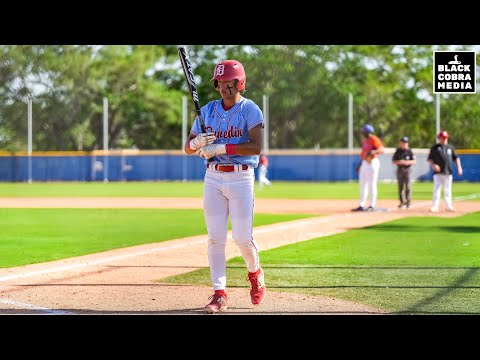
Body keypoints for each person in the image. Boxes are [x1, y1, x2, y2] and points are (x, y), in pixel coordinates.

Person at [184, 59, 266, 314]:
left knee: (242, 238)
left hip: (241, 177)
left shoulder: (250, 109)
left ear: (239, 83)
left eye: (229, 82)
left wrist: (220, 147)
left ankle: (255, 272)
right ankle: (219, 293)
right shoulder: (207, 111)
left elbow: (256, 146)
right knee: (215, 238)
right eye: (220, 82)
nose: (223, 87)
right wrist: (197, 143)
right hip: (213, 177)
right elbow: (187, 148)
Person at [427, 130, 463, 212]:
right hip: (437, 173)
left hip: (448, 172)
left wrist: (459, 167)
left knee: (447, 190)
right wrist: (433, 165)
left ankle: (448, 206)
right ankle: (435, 206)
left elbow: (456, 158)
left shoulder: (450, 147)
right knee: (437, 189)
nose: (444, 139)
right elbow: (430, 159)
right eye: (442, 138)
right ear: (439, 138)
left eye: (445, 137)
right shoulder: (435, 148)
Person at [352, 123, 385, 212]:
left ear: (368, 132)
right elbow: (363, 154)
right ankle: (361, 205)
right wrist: (360, 165)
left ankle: (372, 205)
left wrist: (373, 151)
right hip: (365, 163)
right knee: (362, 184)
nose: (362, 132)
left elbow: (381, 150)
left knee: (372, 184)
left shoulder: (374, 139)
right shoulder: (365, 141)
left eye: (364, 131)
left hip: (373, 162)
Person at [392, 136, 416, 209]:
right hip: (400, 170)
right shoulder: (398, 151)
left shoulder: (409, 151)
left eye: (405, 142)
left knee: (408, 186)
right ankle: (402, 202)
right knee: (400, 187)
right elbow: (393, 161)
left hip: (408, 170)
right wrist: (400, 162)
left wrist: (407, 162)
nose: (404, 144)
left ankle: (408, 202)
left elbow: (414, 161)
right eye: (403, 142)